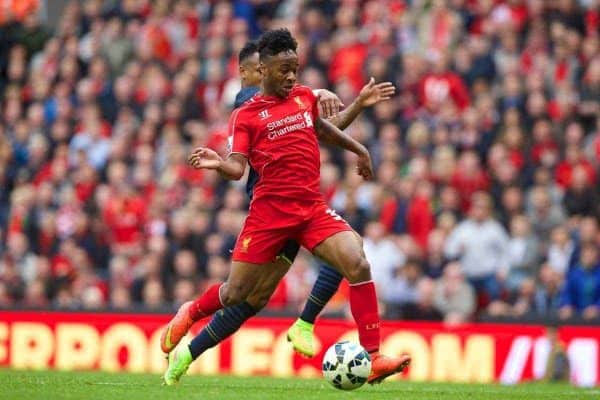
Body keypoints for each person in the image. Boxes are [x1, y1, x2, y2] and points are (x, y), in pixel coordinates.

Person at [162, 28, 410, 385]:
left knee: (355, 260)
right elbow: (236, 168)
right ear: (263, 71)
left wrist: (360, 148)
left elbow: (323, 130)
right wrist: (218, 163)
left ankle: (373, 357)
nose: (291, 75)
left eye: (295, 67)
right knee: (237, 294)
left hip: (310, 208)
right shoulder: (246, 114)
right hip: (269, 216)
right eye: (283, 69)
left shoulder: (303, 98)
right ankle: (191, 312)